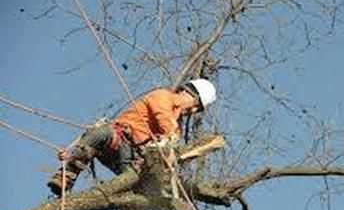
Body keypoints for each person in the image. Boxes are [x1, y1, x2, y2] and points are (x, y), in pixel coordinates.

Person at [47, 78, 217, 195]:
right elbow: (162, 115)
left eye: (198, 110)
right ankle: (66, 176)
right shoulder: (163, 96)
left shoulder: (176, 128)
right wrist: (171, 136)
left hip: (130, 158)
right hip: (116, 139)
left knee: (144, 189)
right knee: (101, 132)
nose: (193, 112)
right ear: (189, 93)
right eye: (196, 106)